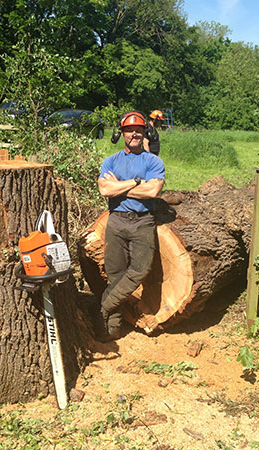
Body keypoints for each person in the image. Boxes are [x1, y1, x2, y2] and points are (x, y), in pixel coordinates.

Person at [96, 111, 165, 341]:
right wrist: (136, 183)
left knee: (140, 270)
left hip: (143, 221)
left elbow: (153, 191)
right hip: (116, 220)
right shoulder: (111, 161)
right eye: (129, 130)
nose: (134, 134)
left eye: (139, 130)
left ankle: (104, 308)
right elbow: (105, 190)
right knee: (115, 273)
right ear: (122, 133)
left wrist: (121, 186)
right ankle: (111, 330)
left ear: (145, 132)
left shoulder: (153, 161)